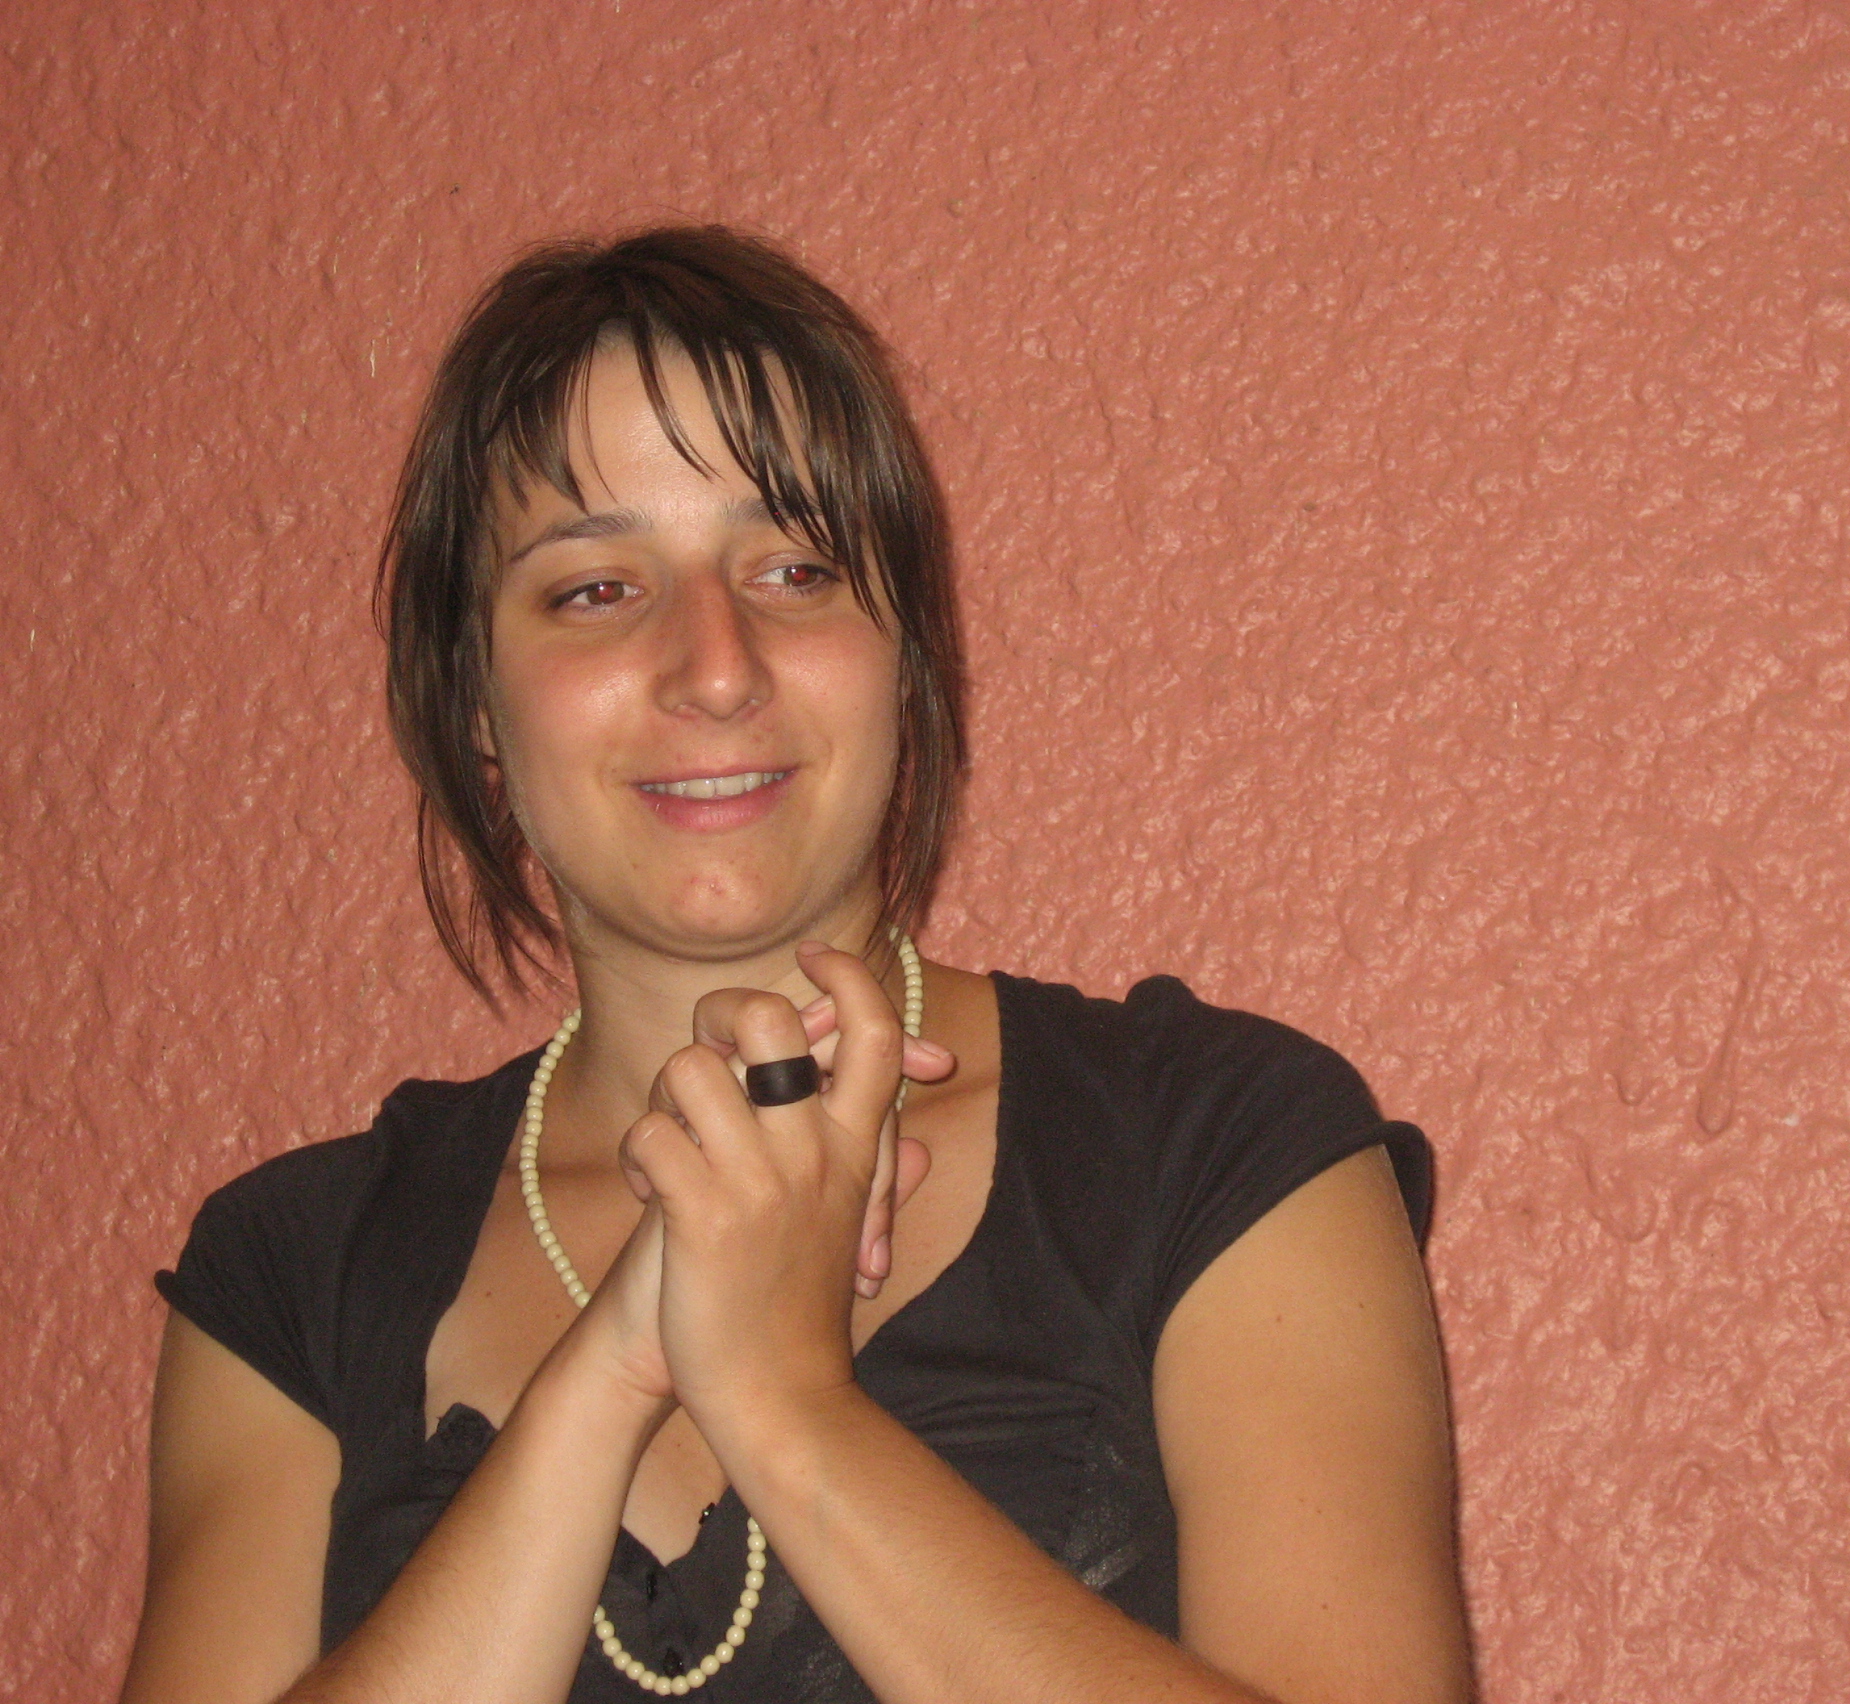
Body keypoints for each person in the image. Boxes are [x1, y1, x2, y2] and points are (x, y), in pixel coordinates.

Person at [120, 225, 1469, 1704]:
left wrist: (782, 1399)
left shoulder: (1214, 1142)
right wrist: (615, 1363)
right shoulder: (291, 1270)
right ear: (478, 703)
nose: (716, 664)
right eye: (594, 589)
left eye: (795, 567)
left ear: (907, 660)